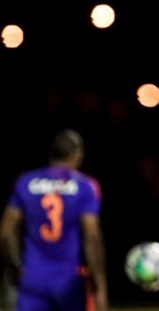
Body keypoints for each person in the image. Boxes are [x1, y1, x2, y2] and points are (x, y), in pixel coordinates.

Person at [0, 128, 108, 311]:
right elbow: (92, 238)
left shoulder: (26, 182)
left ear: (51, 153)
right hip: (68, 281)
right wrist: (99, 286)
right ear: (78, 154)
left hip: (32, 278)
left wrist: (13, 267)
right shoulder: (85, 187)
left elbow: (5, 232)